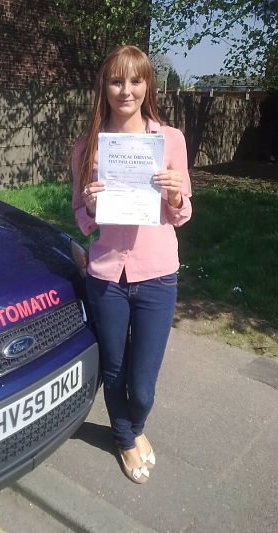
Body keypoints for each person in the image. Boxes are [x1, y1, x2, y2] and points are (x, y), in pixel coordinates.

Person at [71, 45, 192, 484]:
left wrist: (175, 194)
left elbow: (182, 214)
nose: (127, 90)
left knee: (141, 384)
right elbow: (83, 223)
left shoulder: (170, 140)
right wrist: (89, 205)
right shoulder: (87, 147)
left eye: (136, 80)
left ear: (148, 85)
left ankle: (134, 423)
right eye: (117, 80)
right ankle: (125, 439)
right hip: (106, 276)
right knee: (115, 368)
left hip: (157, 274)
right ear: (104, 86)